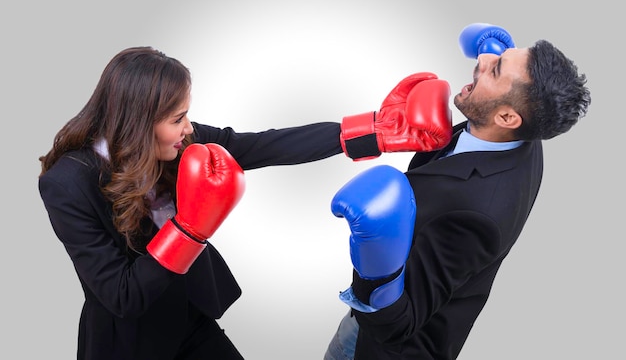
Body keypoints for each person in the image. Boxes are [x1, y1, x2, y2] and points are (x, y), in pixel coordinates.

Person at [37, 45, 453, 360]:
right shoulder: (67, 184)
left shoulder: (172, 141)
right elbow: (121, 295)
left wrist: (373, 132)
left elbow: (258, 146)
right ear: (139, 121)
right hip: (128, 345)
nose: (188, 129)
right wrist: (189, 229)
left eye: (187, 116)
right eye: (177, 119)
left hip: (189, 317)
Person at [324, 23, 592, 360]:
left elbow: (395, 326)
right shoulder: (519, 129)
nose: (482, 60)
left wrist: (375, 266)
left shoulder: (476, 215)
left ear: (507, 116)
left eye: (495, 68)